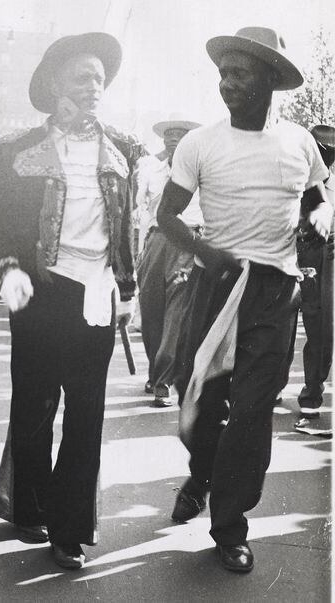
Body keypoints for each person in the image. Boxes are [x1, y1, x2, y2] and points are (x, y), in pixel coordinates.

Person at [157, 27, 331, 573]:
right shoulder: (200, 143)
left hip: (275, 291)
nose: (226, 83)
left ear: (270, 81)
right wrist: (207, 252)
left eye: (240, 74)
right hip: (215, 287)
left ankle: (229, 525)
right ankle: (203, 473)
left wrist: (320, 221)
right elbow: (167, 217)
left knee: (253, 413)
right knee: (200, 403)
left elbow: (317, 203)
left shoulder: (299, 143)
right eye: (223, 74)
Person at [0, 33, 145, 570]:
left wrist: (128, 290)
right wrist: (8, 275)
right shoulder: (10, 152)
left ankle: (69, 526)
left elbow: (128, 230)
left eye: (100, 78)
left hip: (96, 293)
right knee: (33, 405)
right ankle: (29, 504)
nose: (94, 88)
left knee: (87, 412)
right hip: (38, 290)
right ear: (55, 85)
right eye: (82, 77)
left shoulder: (125, 150)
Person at [136, 115, 202, 407]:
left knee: (176, 313)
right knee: (151, 312)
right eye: (169, 135)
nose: (173, 139)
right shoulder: (150, 169)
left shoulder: (203, 171)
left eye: (180, 135)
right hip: (156, 241)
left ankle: (163, 380)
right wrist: (141, 251)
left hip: (187, 243)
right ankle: (155, 371)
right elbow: (140, 214)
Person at [295, 124, 334, 419]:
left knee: (324, 326)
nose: (326, 155)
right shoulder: (301, 176)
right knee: (315, 322)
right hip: (306, 254)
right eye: (321, 150)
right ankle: (311, 391)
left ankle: (312, 390)